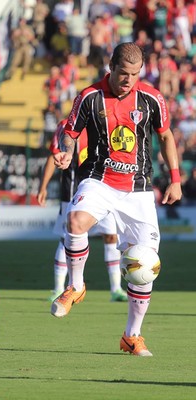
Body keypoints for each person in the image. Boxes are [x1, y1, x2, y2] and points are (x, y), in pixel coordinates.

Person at [51, 42, 182, 356]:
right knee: (75, 220)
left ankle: (131, 337)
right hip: (100, 181)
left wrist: (175, 179)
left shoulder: (151, 98)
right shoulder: (89, 97)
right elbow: (69, 132)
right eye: (123, 73)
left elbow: (165, 136)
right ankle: (76, 286)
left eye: (135, 74)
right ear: (111, 66)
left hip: (138, 192)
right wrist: (66, 154)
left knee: (146, 264)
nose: (128, 80)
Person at [37, 119, 127, 302]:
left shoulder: (107, 122)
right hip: (73, 191)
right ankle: (58, 289)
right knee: (66, 238)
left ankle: (116, 289)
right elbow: (54, 154)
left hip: (103, 189)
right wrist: (43, 186)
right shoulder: (65, 126)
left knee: (111, 236)